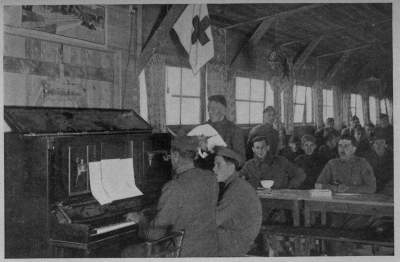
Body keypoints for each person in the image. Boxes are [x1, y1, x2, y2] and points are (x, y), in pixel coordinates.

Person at [122, 136, 219, 257]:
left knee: (127, 252)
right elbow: (190, 206)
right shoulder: (211, 177)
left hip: (183, 252)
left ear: (176, 156)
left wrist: (140, 219)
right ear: (194, 156)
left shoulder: (174, 186)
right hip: (209, 249)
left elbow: (153, 235)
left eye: (170, 155)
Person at [213, 146, 262, 257]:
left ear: (231, 168)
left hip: (236, 241)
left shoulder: (236, 189)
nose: (214, 169)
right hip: (236, 235)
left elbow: (215, 220)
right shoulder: (235, 184)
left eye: (218, 165)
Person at [240, 136, 305, 190]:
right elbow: (239, 179)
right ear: (253, 149)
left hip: (280, 200)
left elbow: (300, 175)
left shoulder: (281, 161)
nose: (260, 151)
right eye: (257, 148)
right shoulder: (249, 165)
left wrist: (289, 187)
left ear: (268, 147)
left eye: (263, 147)